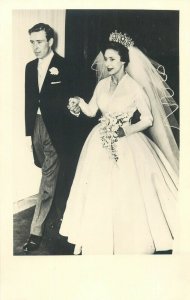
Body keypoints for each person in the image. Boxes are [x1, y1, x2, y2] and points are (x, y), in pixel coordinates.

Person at [59, 30, 179, 254]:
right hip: (99, 142)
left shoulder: (135, 88)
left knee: (126, 191)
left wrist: (125, 130)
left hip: (127, 143)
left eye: (112, 59)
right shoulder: (102, 85)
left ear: (124, 60)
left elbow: (148, 119)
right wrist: (78, 103)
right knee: (98, 189)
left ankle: (128, 242)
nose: (108, 63)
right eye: (106, 58)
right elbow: (92, 110)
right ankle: (98, 238)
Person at [24, 23, 79, 252]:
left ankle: (35, 231)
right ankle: (58, 214)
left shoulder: (64, 66)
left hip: (56, 130)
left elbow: (75, 95)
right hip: (36, 125)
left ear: (50, 42)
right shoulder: (29, 67)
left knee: (47, 179)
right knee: (45, 170)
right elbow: (29, 99)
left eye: (39, 42)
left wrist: (74, 103)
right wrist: (29, 132)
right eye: (32, 42)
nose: (35, 47)